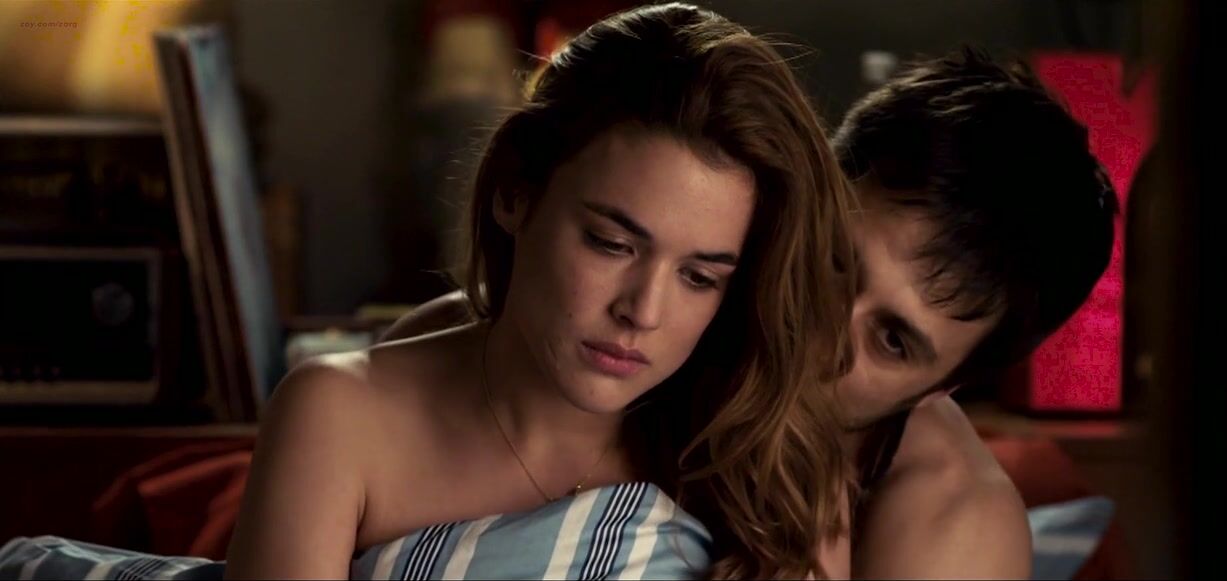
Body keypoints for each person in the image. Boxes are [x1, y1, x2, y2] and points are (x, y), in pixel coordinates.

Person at [386, 47, 1119, 579]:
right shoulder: (502, 350)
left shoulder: (950, 529)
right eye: (833, 261)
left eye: (892, 341)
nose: (821, 325)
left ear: (941, 387)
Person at [224, 4, 857, 580]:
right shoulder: (340, 419)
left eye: (699, 277)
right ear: (515, 193)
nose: (642, 312)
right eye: (611, 243)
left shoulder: (766, 467)